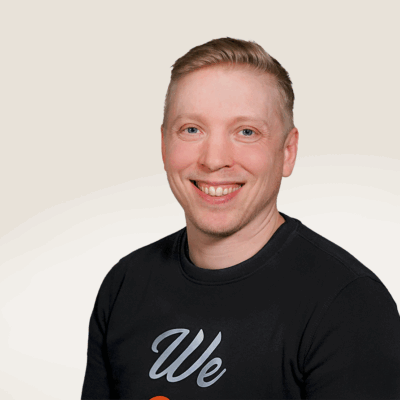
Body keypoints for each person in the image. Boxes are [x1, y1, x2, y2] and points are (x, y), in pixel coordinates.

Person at [81, 38, 400, 399]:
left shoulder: (348, 305)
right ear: (165, 145)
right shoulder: (126, 284)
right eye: (191, 129)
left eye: (246, 132)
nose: (214, 159)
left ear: (288, 152)